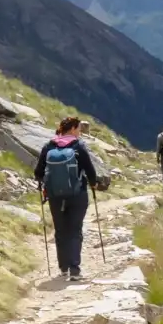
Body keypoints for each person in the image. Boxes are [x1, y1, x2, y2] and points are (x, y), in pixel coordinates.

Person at [34, 116, 103, 281]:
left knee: (60, 230)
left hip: (55, 195)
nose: (79, 132)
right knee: (75, 229)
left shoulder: (49, 146)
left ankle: (63, 268)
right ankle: (74, 269)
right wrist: (93, 184)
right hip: (77, 194)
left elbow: (38, 172)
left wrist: (48, 183)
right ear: (72, 128)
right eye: (78, 129)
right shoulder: (78, 146)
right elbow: (90, 169)